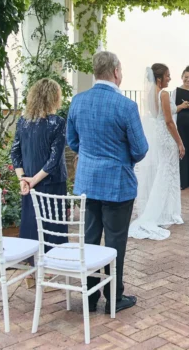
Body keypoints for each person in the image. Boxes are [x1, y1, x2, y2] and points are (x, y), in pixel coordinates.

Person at [67, 51, 149, 313]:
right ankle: (114, 297)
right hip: (117, 185)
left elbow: (72, 141)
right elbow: (140, 149)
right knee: (115, 243)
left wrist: (90, 156)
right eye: (121, 71)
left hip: (87, 183)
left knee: (89, 240)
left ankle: (89, 298)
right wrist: (120, 157)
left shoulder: (78, 102)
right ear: (115, 72)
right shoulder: (126, 106)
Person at [10, 78, 68, 288]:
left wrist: (23, 180)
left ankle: (31, 272)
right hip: (51, 183)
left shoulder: (22, 122)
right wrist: (32, 180)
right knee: (52, 226)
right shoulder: (58, 123)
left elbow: (14, 152)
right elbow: (54, 159)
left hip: (29, 184)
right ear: (54, 97)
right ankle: (50, 271)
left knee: (31, 224)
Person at [129, 63, 185, 240]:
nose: (170, 78)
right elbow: (169, 121)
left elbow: (156, 116)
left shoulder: (149, 93)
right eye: (167, 75)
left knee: (164, 170)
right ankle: (162, 212)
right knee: (167, 172)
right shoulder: (164, 93)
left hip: (158, 135)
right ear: (159, 78)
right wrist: (180, 143)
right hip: (167, 137)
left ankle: (167, 211)